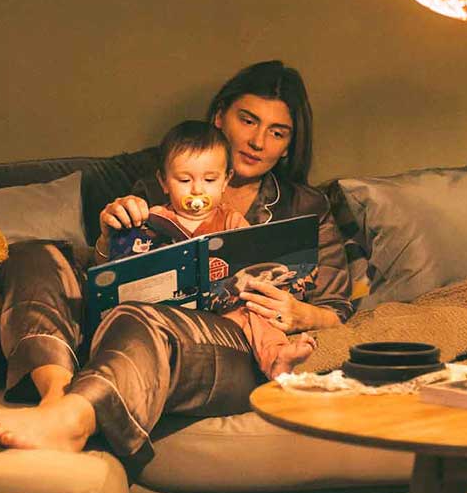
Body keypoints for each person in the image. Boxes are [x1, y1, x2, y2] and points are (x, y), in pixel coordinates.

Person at [0, 61, 352, 462]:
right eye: (247, 121)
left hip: (234, 340)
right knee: (32, 254)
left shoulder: (307, 206)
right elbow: (116, 276)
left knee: (139, 317)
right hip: (138, 318)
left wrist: (300, 313)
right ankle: (55, 395)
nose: (257, 141)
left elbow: (339, 312)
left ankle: (75, 419)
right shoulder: (157, 183)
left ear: (288, 145)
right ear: (220, 117)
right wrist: (108, 237)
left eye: (277, 132)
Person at [99, 119, 318, 380]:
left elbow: (253, 262)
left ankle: (276, 356)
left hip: (225, 319)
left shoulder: (232, 220)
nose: (197, 189)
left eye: (210, 179)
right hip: (168, 318)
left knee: (257, 311)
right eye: (183, 179)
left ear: (226, 181)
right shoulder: (152, 219)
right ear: (164, 182)